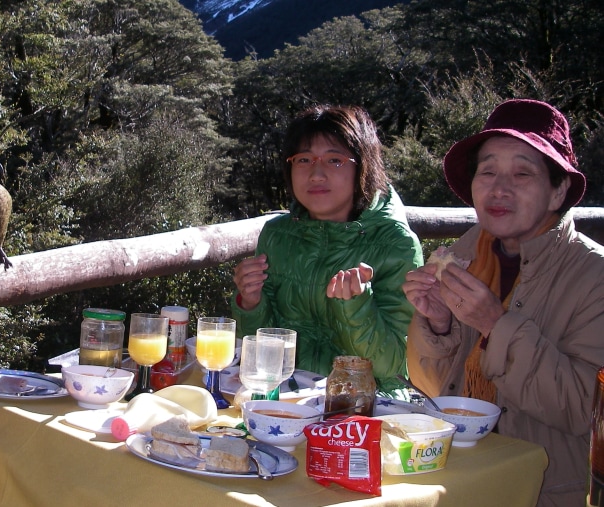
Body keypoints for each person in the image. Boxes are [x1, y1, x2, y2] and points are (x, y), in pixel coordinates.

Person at [403, 98, 604, 506]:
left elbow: (587, 410)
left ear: (558, 191)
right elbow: (433, 388)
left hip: (542, 489)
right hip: (460, 479)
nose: (499, 188)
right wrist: (439, 326)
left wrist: (496, 325)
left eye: (523, 173)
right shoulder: (465, 255)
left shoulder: (593, 275)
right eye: (488, 170)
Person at [232, 105, 423, 394]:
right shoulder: (277, 234)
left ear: (363, 166)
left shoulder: (396, 244)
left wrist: (355, 307)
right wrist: (251, 303)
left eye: (334, 160)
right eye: (304, 159)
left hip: (365, 410)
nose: (316, 174)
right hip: (289, 401)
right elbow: (261, 355)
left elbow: (393, 368)